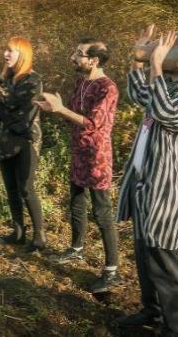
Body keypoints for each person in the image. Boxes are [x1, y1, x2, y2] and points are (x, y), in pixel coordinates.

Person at [114, 9, 178, 337]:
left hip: (167, 190)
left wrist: (156, 66)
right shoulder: (171, 86)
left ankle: (175, 329)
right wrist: (138, 61)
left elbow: (164, 112)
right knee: (145, 254)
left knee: (163, 260)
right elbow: (141, 95)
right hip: (144, 185)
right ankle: (152, 311)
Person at [35, 37, 120, 293]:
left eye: (79, 53)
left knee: (102, 212)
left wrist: (61, 109)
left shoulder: (107, 88)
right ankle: (76, 249)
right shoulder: (82, 81)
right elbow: (73, 114)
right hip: (78, 152)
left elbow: (92, 123)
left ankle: (112, 271)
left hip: (97, 157)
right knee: (76, 202)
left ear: (93, 60)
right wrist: (55, 108)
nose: (73, 57)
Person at [0, 36, 46, 252]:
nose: (5, 54)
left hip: (25, 141)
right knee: (11, 188)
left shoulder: (33, 81)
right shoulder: (5, 80)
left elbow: (13, 104)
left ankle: (39, 237)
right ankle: (18, 232)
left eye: (11, 50)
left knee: (26, 188)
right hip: (4, 140)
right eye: (5, 50)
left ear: (22, 54)